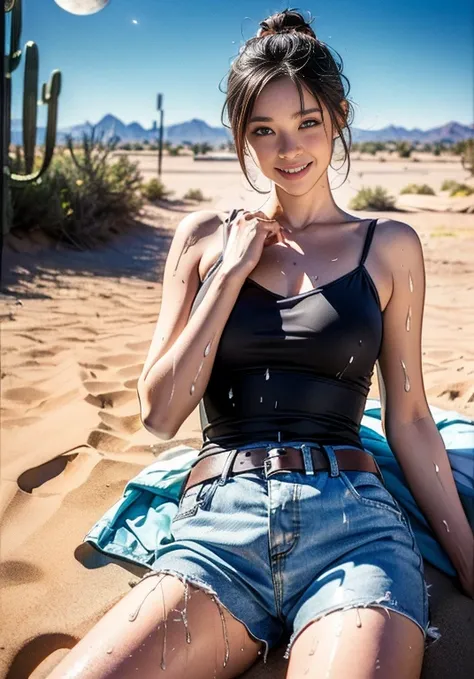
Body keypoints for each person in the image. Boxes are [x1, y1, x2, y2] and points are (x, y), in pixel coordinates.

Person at [47, 7, 473, 679]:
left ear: (338, 115)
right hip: (218, 529)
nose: (289, 150)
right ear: (242, 137)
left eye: (307, 122)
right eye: (263, 130)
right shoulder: (202, 239)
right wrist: (227, 275)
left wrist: (470, 560)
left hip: (354, 528)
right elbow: (159, 416)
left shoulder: (390, 246)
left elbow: (412, 417)